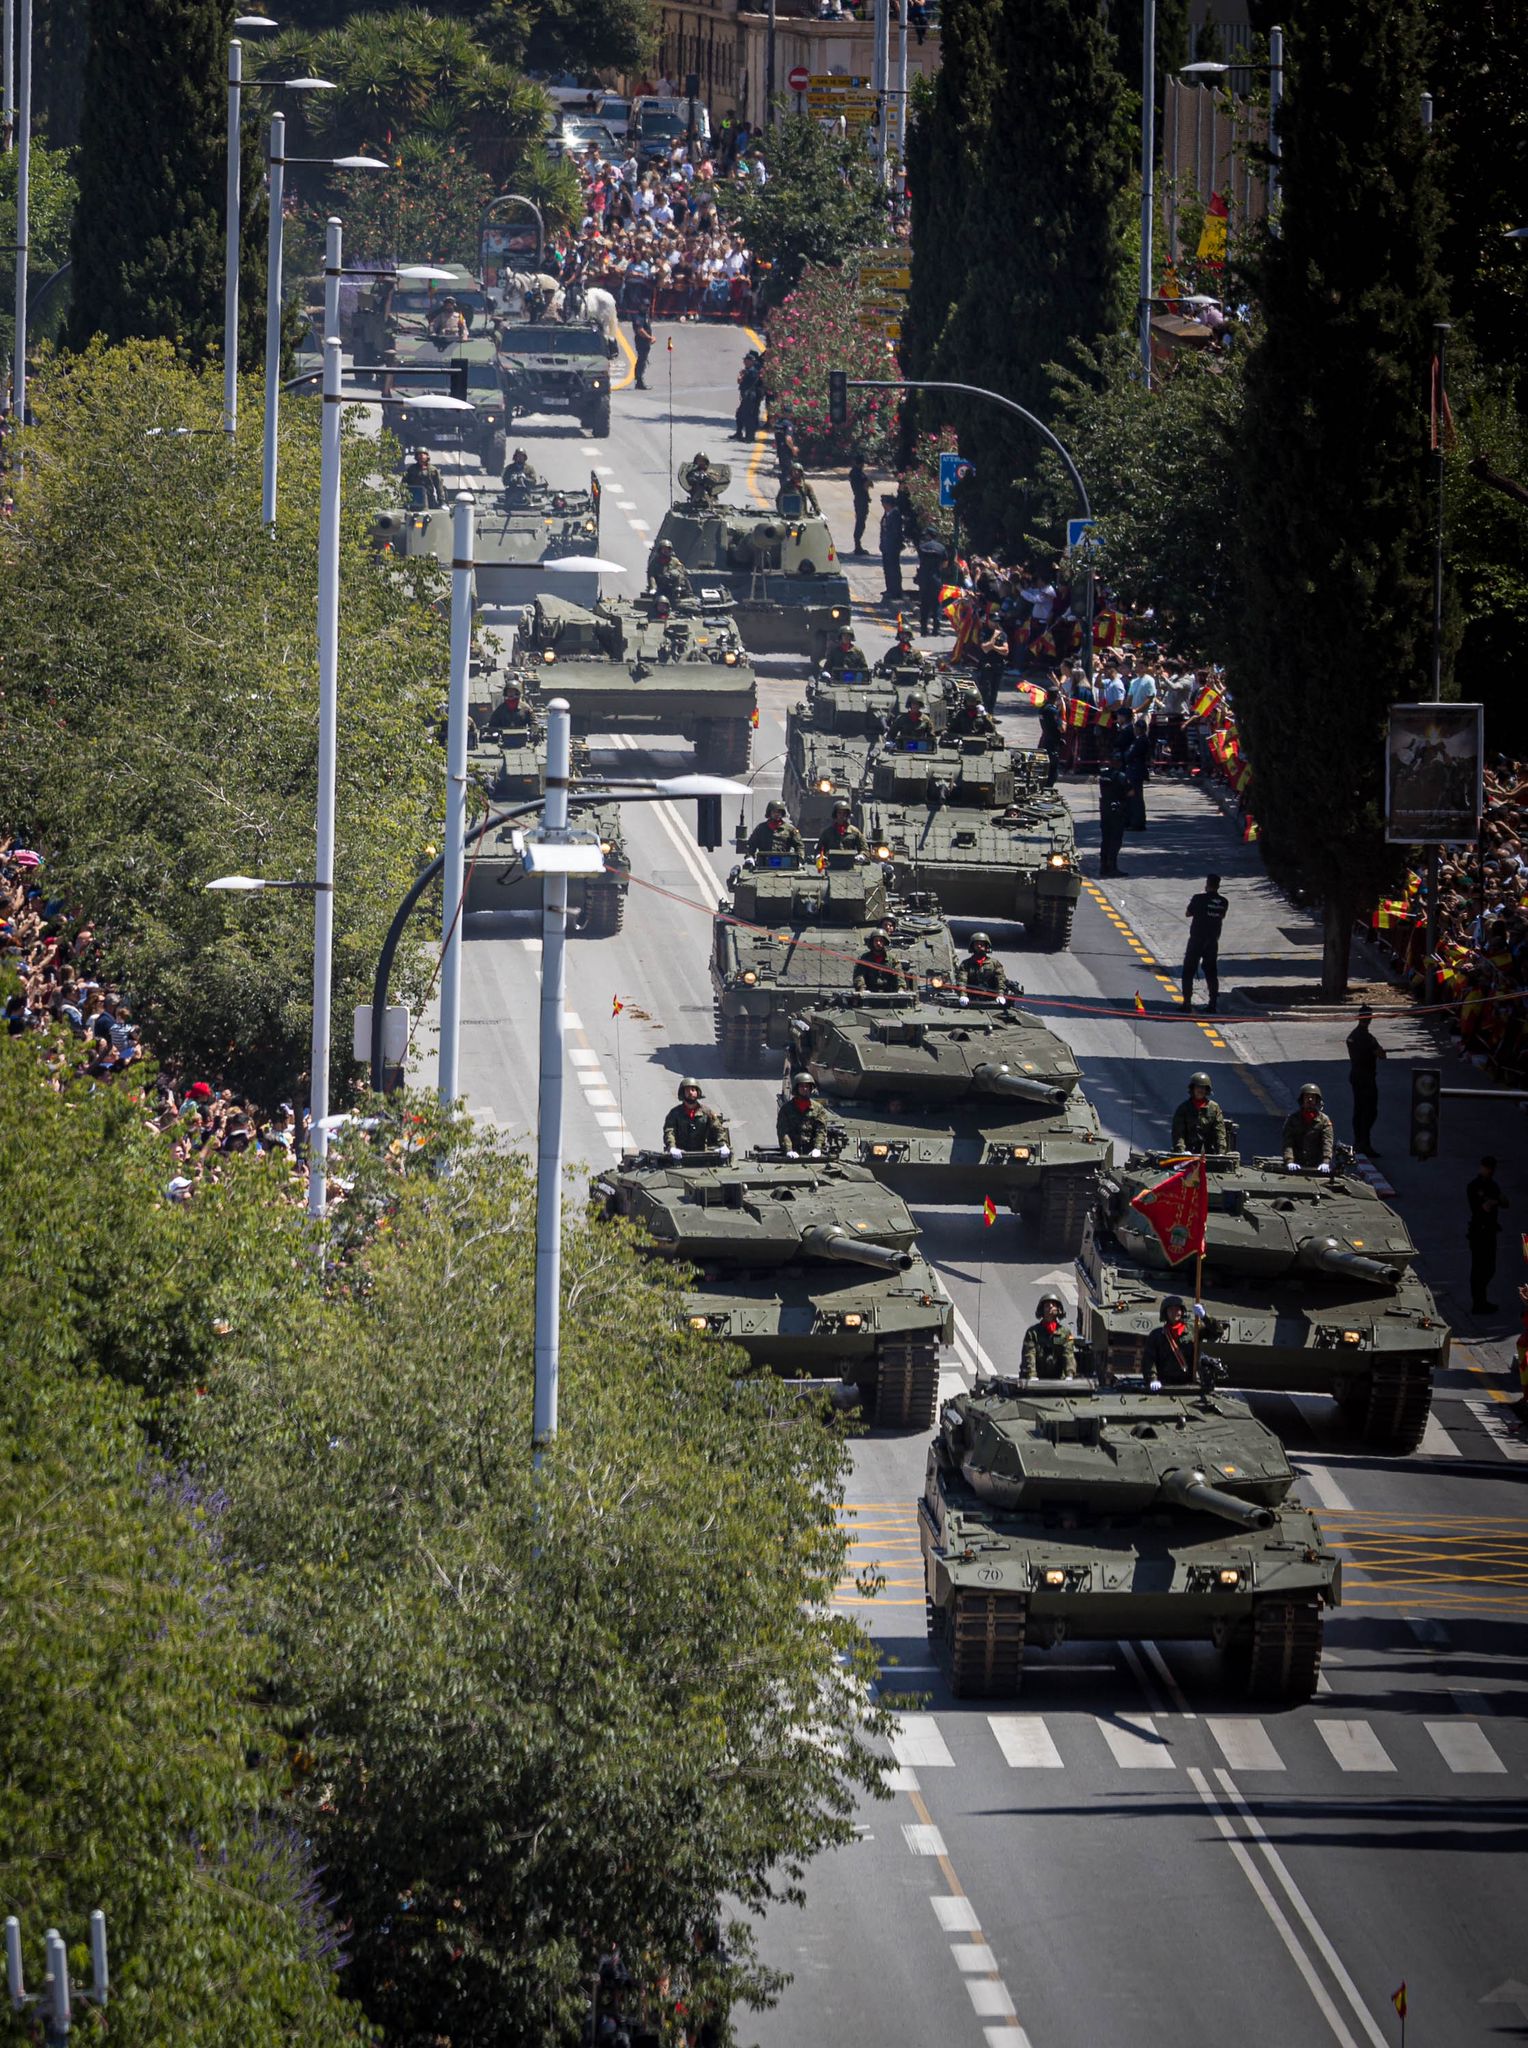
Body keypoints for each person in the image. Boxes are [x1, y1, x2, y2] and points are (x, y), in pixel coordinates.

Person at [1466, 1156, 1508, 1315]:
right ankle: (1478, 1303)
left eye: (1491, 1168)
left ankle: (1481, 1300)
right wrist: (1492, 1202)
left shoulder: (1492, 1185)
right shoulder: (1474, 1186)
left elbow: (1505, 1202)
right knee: (1478, 1269)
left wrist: (1495, 1201)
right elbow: (1482, 1208)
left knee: (1490, 1268)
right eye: (1487, 1167)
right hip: (1478, 1232)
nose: (1489, 1171)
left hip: (1490, 1231)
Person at [1182, 874, 1228, 1012]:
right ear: (1218, 886)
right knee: (1211, 972)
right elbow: (1222, 916)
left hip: (1197, 939)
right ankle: (1212, 1003)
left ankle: (1186, 1003)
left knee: (1188, 971)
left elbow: (1188, 913)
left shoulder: (1198, 898)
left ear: (1207, 884)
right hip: (1212, 940)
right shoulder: (1224, 901)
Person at [1345, 1004, 1386, 1155]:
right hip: (1366, 1077)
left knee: (1359, 1109)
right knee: (1369, 1111)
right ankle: (1364, 1142)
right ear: (1370, 1019)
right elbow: (1381, 1055)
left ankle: (1358, 1141)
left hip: (1355, 1074)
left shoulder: (1352, 1035)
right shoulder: (1368, 1039)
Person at [663, 1077, 730, 1155]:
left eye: (693, 1090)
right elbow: (669, 1131)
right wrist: (672, 1147)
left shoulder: (707, 1112)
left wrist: (723, 1145)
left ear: (698, 1092)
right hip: (680, 1154)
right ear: (683, 1093)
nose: (690, 1093)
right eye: (687, 1090)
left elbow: (718, 1129)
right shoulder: (674, 1113)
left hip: (702, 1153)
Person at [1141, 1297, 1197, 1386]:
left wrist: (1205, 1316)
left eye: (1178, 1309)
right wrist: (1152, 1379)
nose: (1175, 1312)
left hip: (1189, 1382)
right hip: (1164, 1382)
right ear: (1165, 1313)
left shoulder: (1193, 1330)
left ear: (1182, 1311)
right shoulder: (1157, 1335)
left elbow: (1216, 1332)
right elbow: (1149, 1359)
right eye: (1171, 1309)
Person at [1020, 1294, 1076, 1380]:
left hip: (1059, 1378)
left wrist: (1069, 1375)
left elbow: (1068, 1353)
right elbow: (1029, 1354)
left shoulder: (1066, 1333)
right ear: (1042, 1310)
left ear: (1059, 1310)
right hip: (1036, 1378)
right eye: (1047, 1305)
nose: (1050, 1306)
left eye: (1053, 1304)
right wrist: (1031, 1375)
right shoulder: (1032, 1332)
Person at [1171, 1071, 1228, 1154]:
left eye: (1203, 1088)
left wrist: (1221, 1152)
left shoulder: (1214, 1107)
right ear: (1193, 1088)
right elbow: (1178, 1133)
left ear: (1207, 1090)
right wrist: (1181, 1151)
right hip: (1188, 1152)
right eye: (1198, 1087)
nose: (1200, 1090)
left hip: (1209, 1153)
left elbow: (1219, 1132)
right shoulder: (1183, 1108)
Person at [1281, 1082, 1334, 1170]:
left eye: (1312, 1097)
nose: (1309, 1100)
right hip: (1296, 1163)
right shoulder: (1293, 1119)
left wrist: (1326, 1162)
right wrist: (1289, 1161)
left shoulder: (1324, 1120)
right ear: (1302, 1099)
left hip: (1316, 1165)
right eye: (1307, 1096)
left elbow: (1327, 1142)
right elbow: (1287, 1142)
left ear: (1317, 1100)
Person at [778, 1071, 832, 1155]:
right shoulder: (786, 1109)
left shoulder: (818, 1108)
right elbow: (783, 1131)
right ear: (796, 1088)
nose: (805, 1089)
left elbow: (821, 1129)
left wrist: (817, 1148)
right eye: (802, 1086)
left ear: (811, 1089)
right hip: (792, 1150)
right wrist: (788, 1150)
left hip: (812, 1151)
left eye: (807, 1086)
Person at [1098, 764, 1131, 878]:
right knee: (1115, 840)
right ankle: (1112, 867)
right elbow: (1130, 792)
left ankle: (1103, 867)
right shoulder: (1121, 776)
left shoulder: (1103, 775)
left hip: (1105, 809)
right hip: (1116, 811)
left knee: (1106, 839)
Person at [958, 931, 1008, 999]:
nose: (979, 946)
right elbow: (962, 981)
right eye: (976, 944)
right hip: (971, 998)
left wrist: (1000, 994)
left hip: (991, 998)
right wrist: (963, 995)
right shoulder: (965, 964)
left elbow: (1000, 979)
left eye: (981, 944)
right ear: (972, 946)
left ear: (986, 946)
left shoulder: (994, 963)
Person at [975, 612, 1009, 713]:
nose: (995, 623)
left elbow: (1006, 651)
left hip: (998, 666)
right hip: (987, 666)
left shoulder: (1002, 634)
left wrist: (993, 647)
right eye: (994, 621)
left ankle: (991, 713)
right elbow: (985, 648)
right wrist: (994, 637)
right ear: (989, 621)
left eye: (997, 621)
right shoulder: (984, 632)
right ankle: (984, 712)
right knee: (986, 691)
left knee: (994, 691)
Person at [916, 533, 947, 635]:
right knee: (937, 603)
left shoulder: (922, 547)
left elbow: (920, 561)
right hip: (936, 579)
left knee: (924, 603)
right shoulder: (941, 548)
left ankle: (924, 628)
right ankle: (936, 628)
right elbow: (945, 564)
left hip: (924, 578)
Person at [647, 537, 693, 605]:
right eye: (664, 549)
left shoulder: (675, 561)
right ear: (660, 550)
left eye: (667, 549)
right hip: (660, 587)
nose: (666, 551)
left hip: (674, 587)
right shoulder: (655, 562)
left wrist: (675, 578)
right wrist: (653, 587)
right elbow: (651, 575)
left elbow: (681, 570)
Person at [878, 494, 905, 601]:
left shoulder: (895, 515)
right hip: (886, 546)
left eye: (883, 503)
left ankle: (895, 590)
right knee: (887, 568)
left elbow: (895, 533)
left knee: (893, 569)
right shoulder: (887, 514)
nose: (882, 505)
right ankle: (889, 589)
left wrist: (894, 545)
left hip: (892, 547)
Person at [848, 451, 871, 554]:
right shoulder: (857, 473)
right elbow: (865, 485)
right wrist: (868, 484)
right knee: (860, 523)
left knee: (861, 522)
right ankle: (857, 546)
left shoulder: (855, 472)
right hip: (861, 499)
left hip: (860, 499)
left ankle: (858, 544)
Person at [632, 309, 654, 389]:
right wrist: (650, 337)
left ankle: (640, 379)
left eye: (648, 306)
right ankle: (639, 380)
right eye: (645, 306)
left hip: (645, 341)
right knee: (641, 360)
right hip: (641, 341)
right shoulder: (638, 317)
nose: (647, 308)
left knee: (643, 360)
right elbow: (640, 330)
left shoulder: (646, 316)